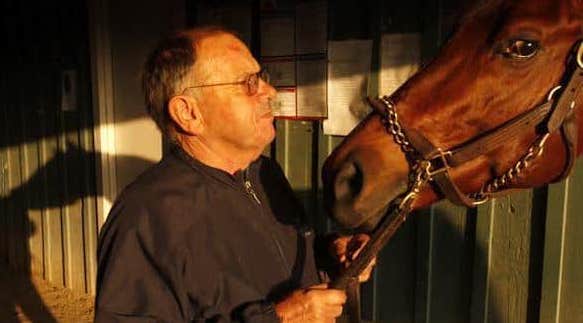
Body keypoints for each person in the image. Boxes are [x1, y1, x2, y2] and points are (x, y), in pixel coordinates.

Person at [94, 26, 373, 322]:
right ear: (189, 114)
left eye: (260, 77)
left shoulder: (265, 173)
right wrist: (281, 318)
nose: (270, 91)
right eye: (247, 83)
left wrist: (332, 253)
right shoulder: (146, 216)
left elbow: (275, 257)